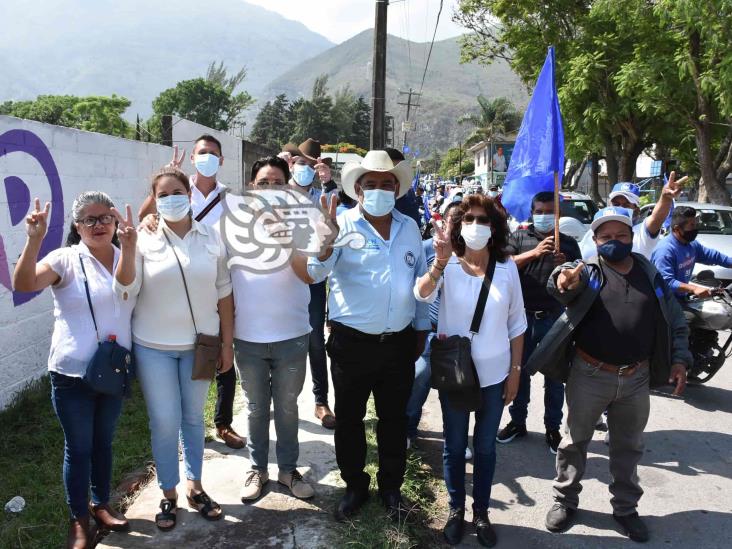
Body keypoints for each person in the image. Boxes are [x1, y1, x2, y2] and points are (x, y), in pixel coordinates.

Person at [527, 206, 690, 543]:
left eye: (621, 235)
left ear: (631, 237)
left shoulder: (649, 273)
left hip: (637, 378)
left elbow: (675, 319)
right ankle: (564, 500)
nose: (614, 241)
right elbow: (563, 284)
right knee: (574, 443)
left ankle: (626, 509)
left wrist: (679, 360)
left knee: (629, 447)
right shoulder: (587, 271)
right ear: (596, 240)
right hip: (590, 373)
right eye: (606, 237)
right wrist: (562, 278)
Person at [308, 150, 431, 522]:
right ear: (358, 189)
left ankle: (391, 488)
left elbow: (420, 279)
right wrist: (326, 241)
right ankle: (355, 486)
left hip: (398, 343)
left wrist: (422, 328)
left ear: (396, 188)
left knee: (394, 419)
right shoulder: (340, 224)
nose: (379, 190)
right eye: (371, 184)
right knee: (349, 420)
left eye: (386, 184)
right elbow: (315, 274)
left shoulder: (409, 226)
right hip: (352, 344)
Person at [114, 168, 234, 531]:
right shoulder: (144, 237)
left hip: (200, 347)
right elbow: (125, 289)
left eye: (177, 191)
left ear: (189, 194)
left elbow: (225, 294)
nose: (171, 199)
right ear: (155, 199)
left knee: (194, 418)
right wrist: (129, 247)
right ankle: (168, 493)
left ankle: (196, 487)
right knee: (165, 422)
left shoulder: (211, 238)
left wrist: (228, 344)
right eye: (163, 194)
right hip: (153, 347)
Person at [13, 192, 134, 548]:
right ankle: (79, 518)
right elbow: (24, 284)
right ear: (77, 227)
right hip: (71, 375)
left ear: (115, 221)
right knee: (79, 447)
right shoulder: (65, 259)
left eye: (105, 218)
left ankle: (101, 503)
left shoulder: (127, 254)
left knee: (103, 442)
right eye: (89, 220)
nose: (98, 225)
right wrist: (34, 240)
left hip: (112, 371)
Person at [415, 194, 526, 547]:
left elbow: (517, 325)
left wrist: (515, 372)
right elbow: (420, 294)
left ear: (494, 228)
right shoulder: (447, 264)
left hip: (494, 375)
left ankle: (481, 513)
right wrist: (438, 264)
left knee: (486, 447)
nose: (476, 226)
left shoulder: (507, 267)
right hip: (455, 375)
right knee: (454, 445)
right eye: (469, 219)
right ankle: (455, 510)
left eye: (483, 220)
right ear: (458, 225)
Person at [137, 134, 245, 450]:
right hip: (177, 283)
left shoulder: (230, 198)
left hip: (216, 276)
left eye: (213, 153)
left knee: (222, 349)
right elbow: (146, 215)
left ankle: (223, 423)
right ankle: (188, 427)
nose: (207, 157)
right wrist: (151, 214)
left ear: (221, 160)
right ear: (193, 157)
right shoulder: (179, 190)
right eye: (201, 152)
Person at [232, 156, 316, 502]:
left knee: (287, 406)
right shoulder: (231, 224)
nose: (269, 189)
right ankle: (257, 469)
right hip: (247, 337)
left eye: (276, 183)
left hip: (291, 336)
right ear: (252, 187)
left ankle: (287, 470)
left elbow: (311, 274)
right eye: (262, 183)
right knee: (255, 408)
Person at [497, 191, 582, 454]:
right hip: (522, 318)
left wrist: (566, 266)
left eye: (550, 212)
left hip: (555, 319)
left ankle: (552, 428)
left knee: (555, 378)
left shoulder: (567, 243)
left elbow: (580, 276)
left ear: (559, 215)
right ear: (532, 211)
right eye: (540, 211)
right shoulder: (519, 237)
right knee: (518, 372)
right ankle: (518, 421)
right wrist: (534, 253)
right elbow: (504, 264)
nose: (544, 216)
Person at [284, 138, 337, 429]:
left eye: (311, 165)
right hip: (281, 277)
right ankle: (274, 399)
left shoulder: (323, 195)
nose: (304, 169)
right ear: (291, 164)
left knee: (315, 340)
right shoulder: (279, 193)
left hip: (314, 278)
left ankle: (321, 401)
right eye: (300, 163)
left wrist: (329, 183)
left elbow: (343, 213)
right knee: (280, 338)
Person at [578, 173, 685, 261]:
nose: (620, 208)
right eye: (616, 204)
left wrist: (665, 197)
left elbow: (657, 217)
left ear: (637, 210)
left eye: (626, 205)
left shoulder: (643, 233)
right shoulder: (593, 231)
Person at [651, 205, 732, 298]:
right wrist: (694, 288)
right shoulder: (665, 251)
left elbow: (713, 256)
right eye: (692, 225)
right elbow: (666, 281)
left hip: (682, 297)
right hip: (663, 301)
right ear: (677, 229)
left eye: (696, 224)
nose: (695, 229)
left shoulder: (692, 244)